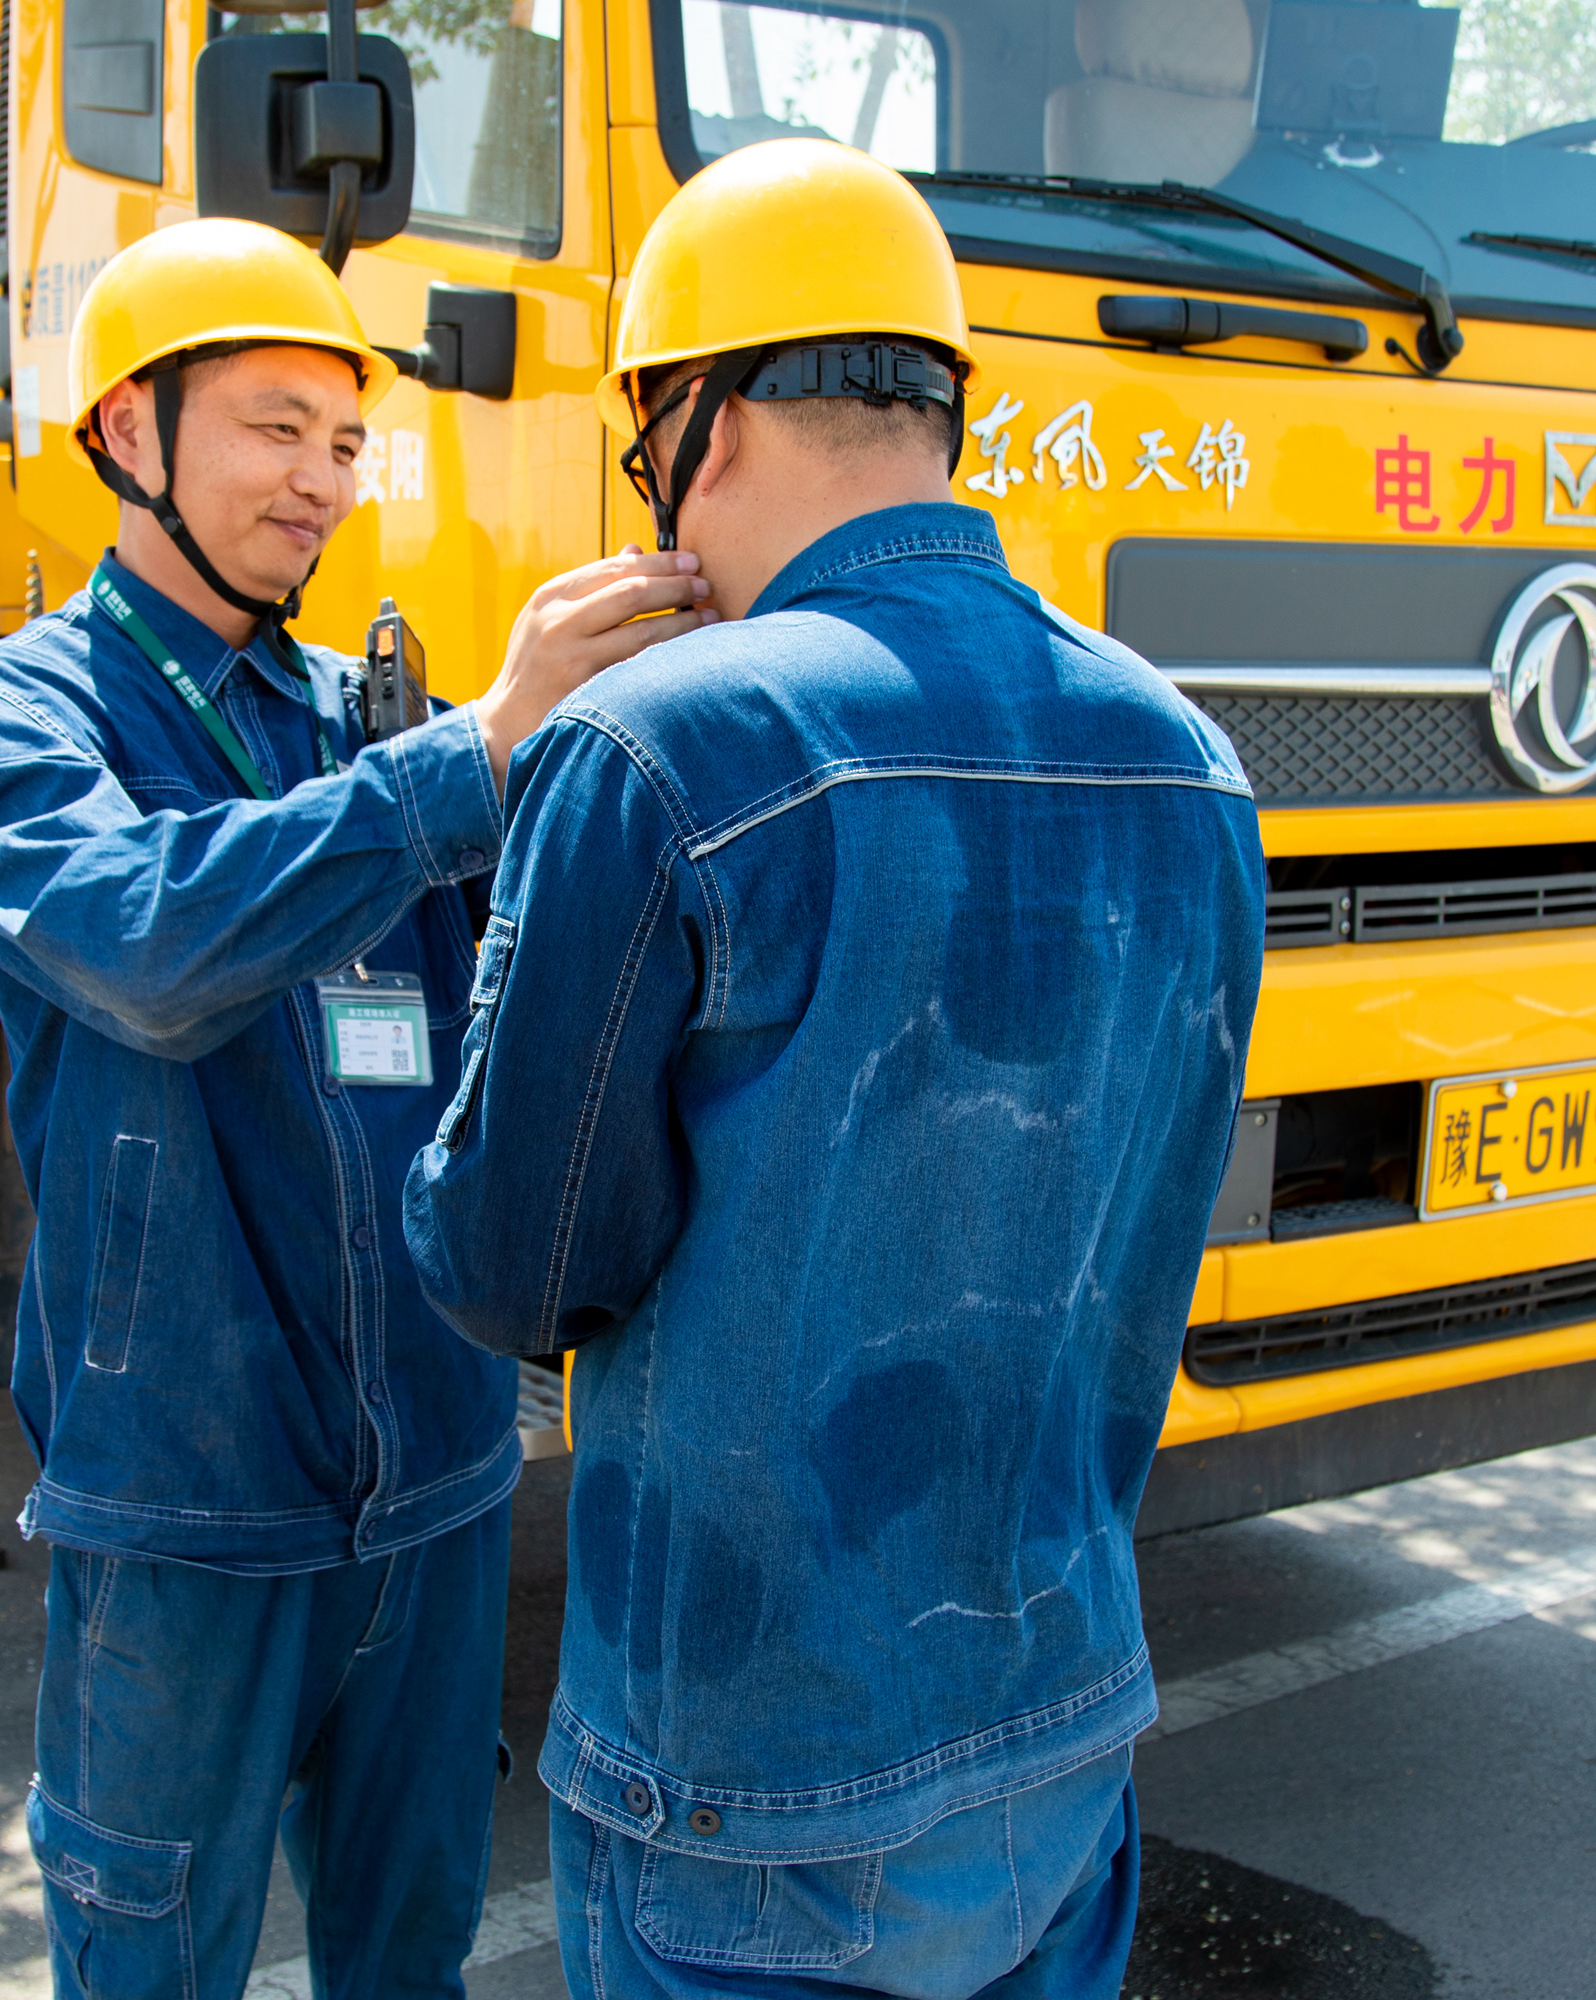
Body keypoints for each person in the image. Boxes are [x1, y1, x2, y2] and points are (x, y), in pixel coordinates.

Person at [403, 140, 1268, 1999]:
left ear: (698, 425)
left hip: (744, 1781)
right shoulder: (1189, 758)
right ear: (943, 411)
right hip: (1061, 1721)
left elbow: (512, 1268)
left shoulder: (650, 746)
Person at [0, 217, 710, 2000]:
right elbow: (149, 946)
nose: (323, 483)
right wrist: (472, 754)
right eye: (275, 429)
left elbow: (517, 1012)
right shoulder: (13, 718)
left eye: (346, 442)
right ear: (129, 431)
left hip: (436, 1481)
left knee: (410, 1953)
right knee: (151, 1967)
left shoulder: (368, 718)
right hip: (184, 1505)